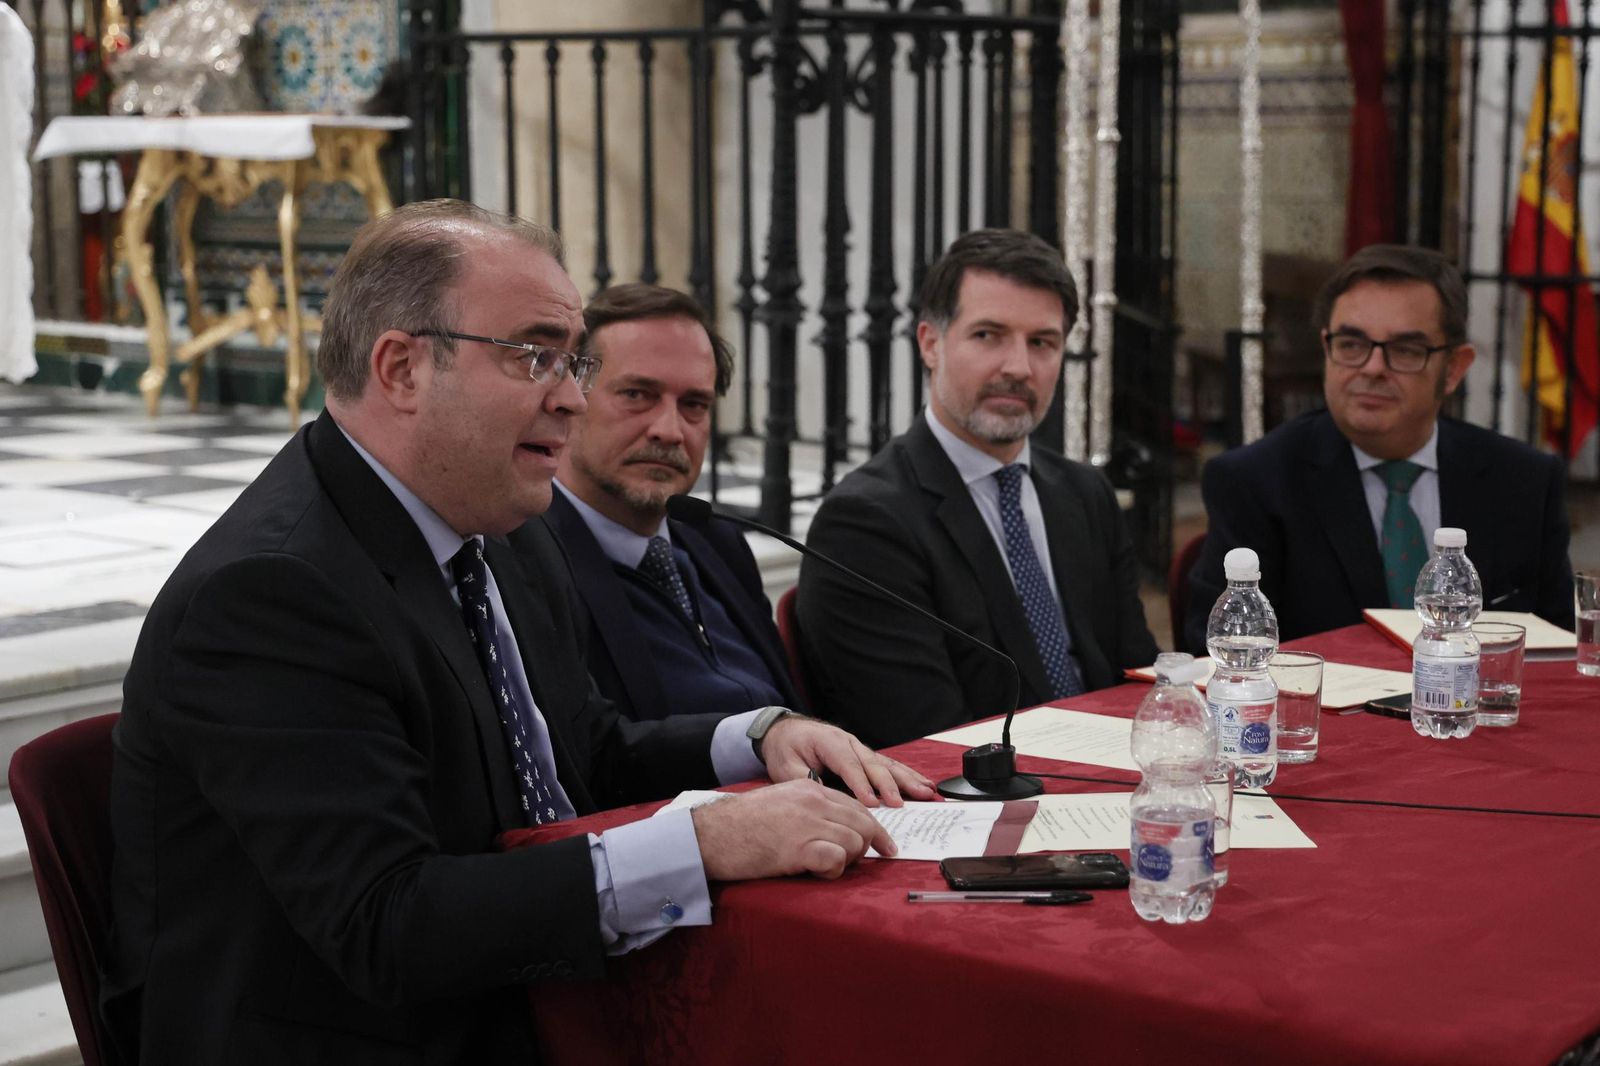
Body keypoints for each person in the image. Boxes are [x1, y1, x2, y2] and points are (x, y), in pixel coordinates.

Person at [104, 200, 934, 1065]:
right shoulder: (273, 593)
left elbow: (583, 752)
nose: (573, 399)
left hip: (526, 998)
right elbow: (387, 923)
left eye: (572, 361)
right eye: (536, 355)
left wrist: (758, 737)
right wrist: (699, 842)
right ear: (402, 369)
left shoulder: (502, 532)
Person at [797, 228, 1160, 749]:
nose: (1018, 367)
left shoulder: (1084, 493)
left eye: (1042, 342)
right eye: (988, 335)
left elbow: (1138, 680)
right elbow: (927, 743)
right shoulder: (866, 524)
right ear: (930, 343)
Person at [1184, 243, 1574, 653]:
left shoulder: (1523, 481)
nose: (1372, 368)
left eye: (1405, 350)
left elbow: (1560, 654)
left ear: (1454, 368)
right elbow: (1217, 657)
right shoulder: (1255, 482)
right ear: (1326, 349)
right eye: (1352, 345)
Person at [531, 282, 801, 722]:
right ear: (569, 397)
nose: (670, 431)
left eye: (694, 404)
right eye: (637, 395)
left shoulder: (717, 542)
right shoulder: (529, 561)